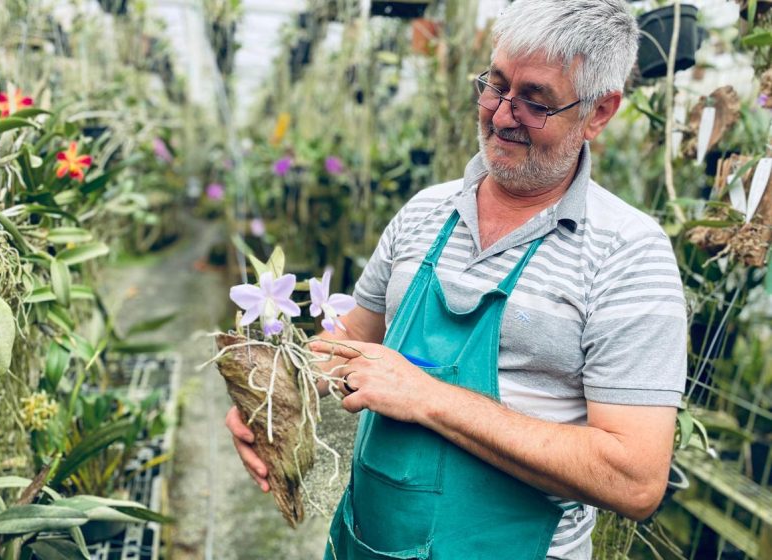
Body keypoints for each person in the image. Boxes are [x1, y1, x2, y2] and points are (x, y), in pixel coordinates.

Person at [226, 0, 687, 558]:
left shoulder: (629, 254)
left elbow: (635, 479)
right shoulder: (425, 211)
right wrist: (274, 393)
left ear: (598, 112)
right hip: (367, 543)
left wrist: (428, 398)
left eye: (534, 101)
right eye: (495, 86)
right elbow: (350, 338)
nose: (500, 115)